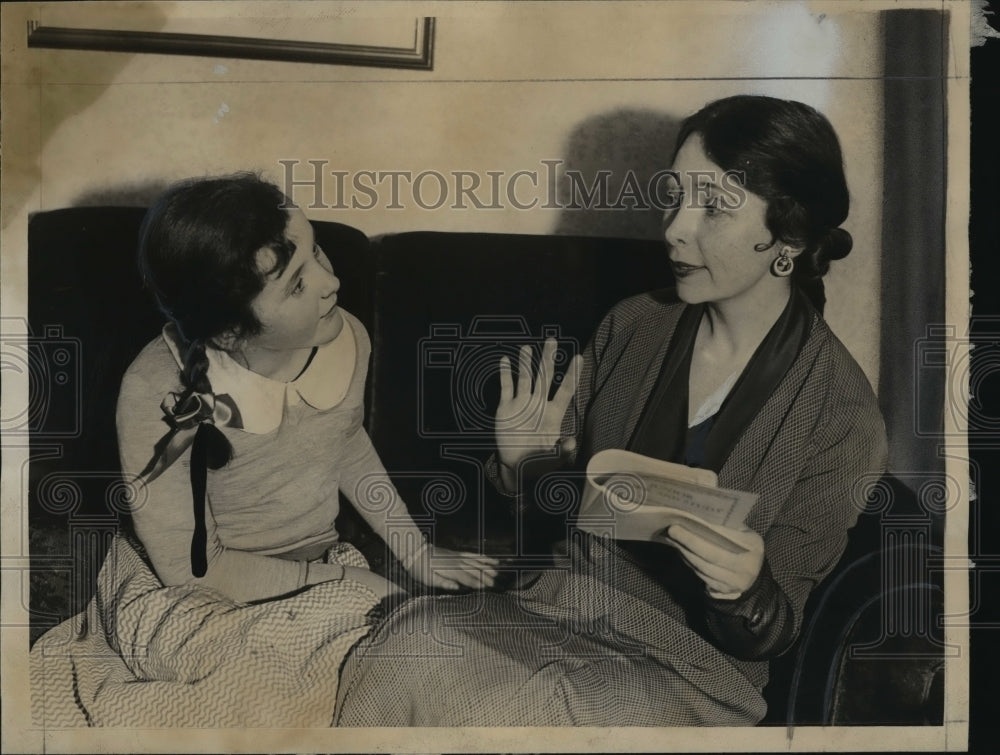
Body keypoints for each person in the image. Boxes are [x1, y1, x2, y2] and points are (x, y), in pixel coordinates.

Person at [334, 95, 889, 726]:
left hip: (688, 668)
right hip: (558, 607)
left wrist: (746, 590)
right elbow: (553, 515)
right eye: (675, 197)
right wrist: (524, 465)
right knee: (401, 649)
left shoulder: (843, 418)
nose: (675, 228)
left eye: (711, 208)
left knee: (523, 709)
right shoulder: (635, 323)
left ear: (786, 234)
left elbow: (772, 631)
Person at [118, 173, 499, 603]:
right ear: (230, 333)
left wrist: (416, 551)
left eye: (315, 248)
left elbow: (343, 440)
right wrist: (349, 583)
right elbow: (190, 571)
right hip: (204, 589)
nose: (330, 283)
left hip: (321, 565)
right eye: (297, 283)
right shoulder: (153, 390)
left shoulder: (343, 334)